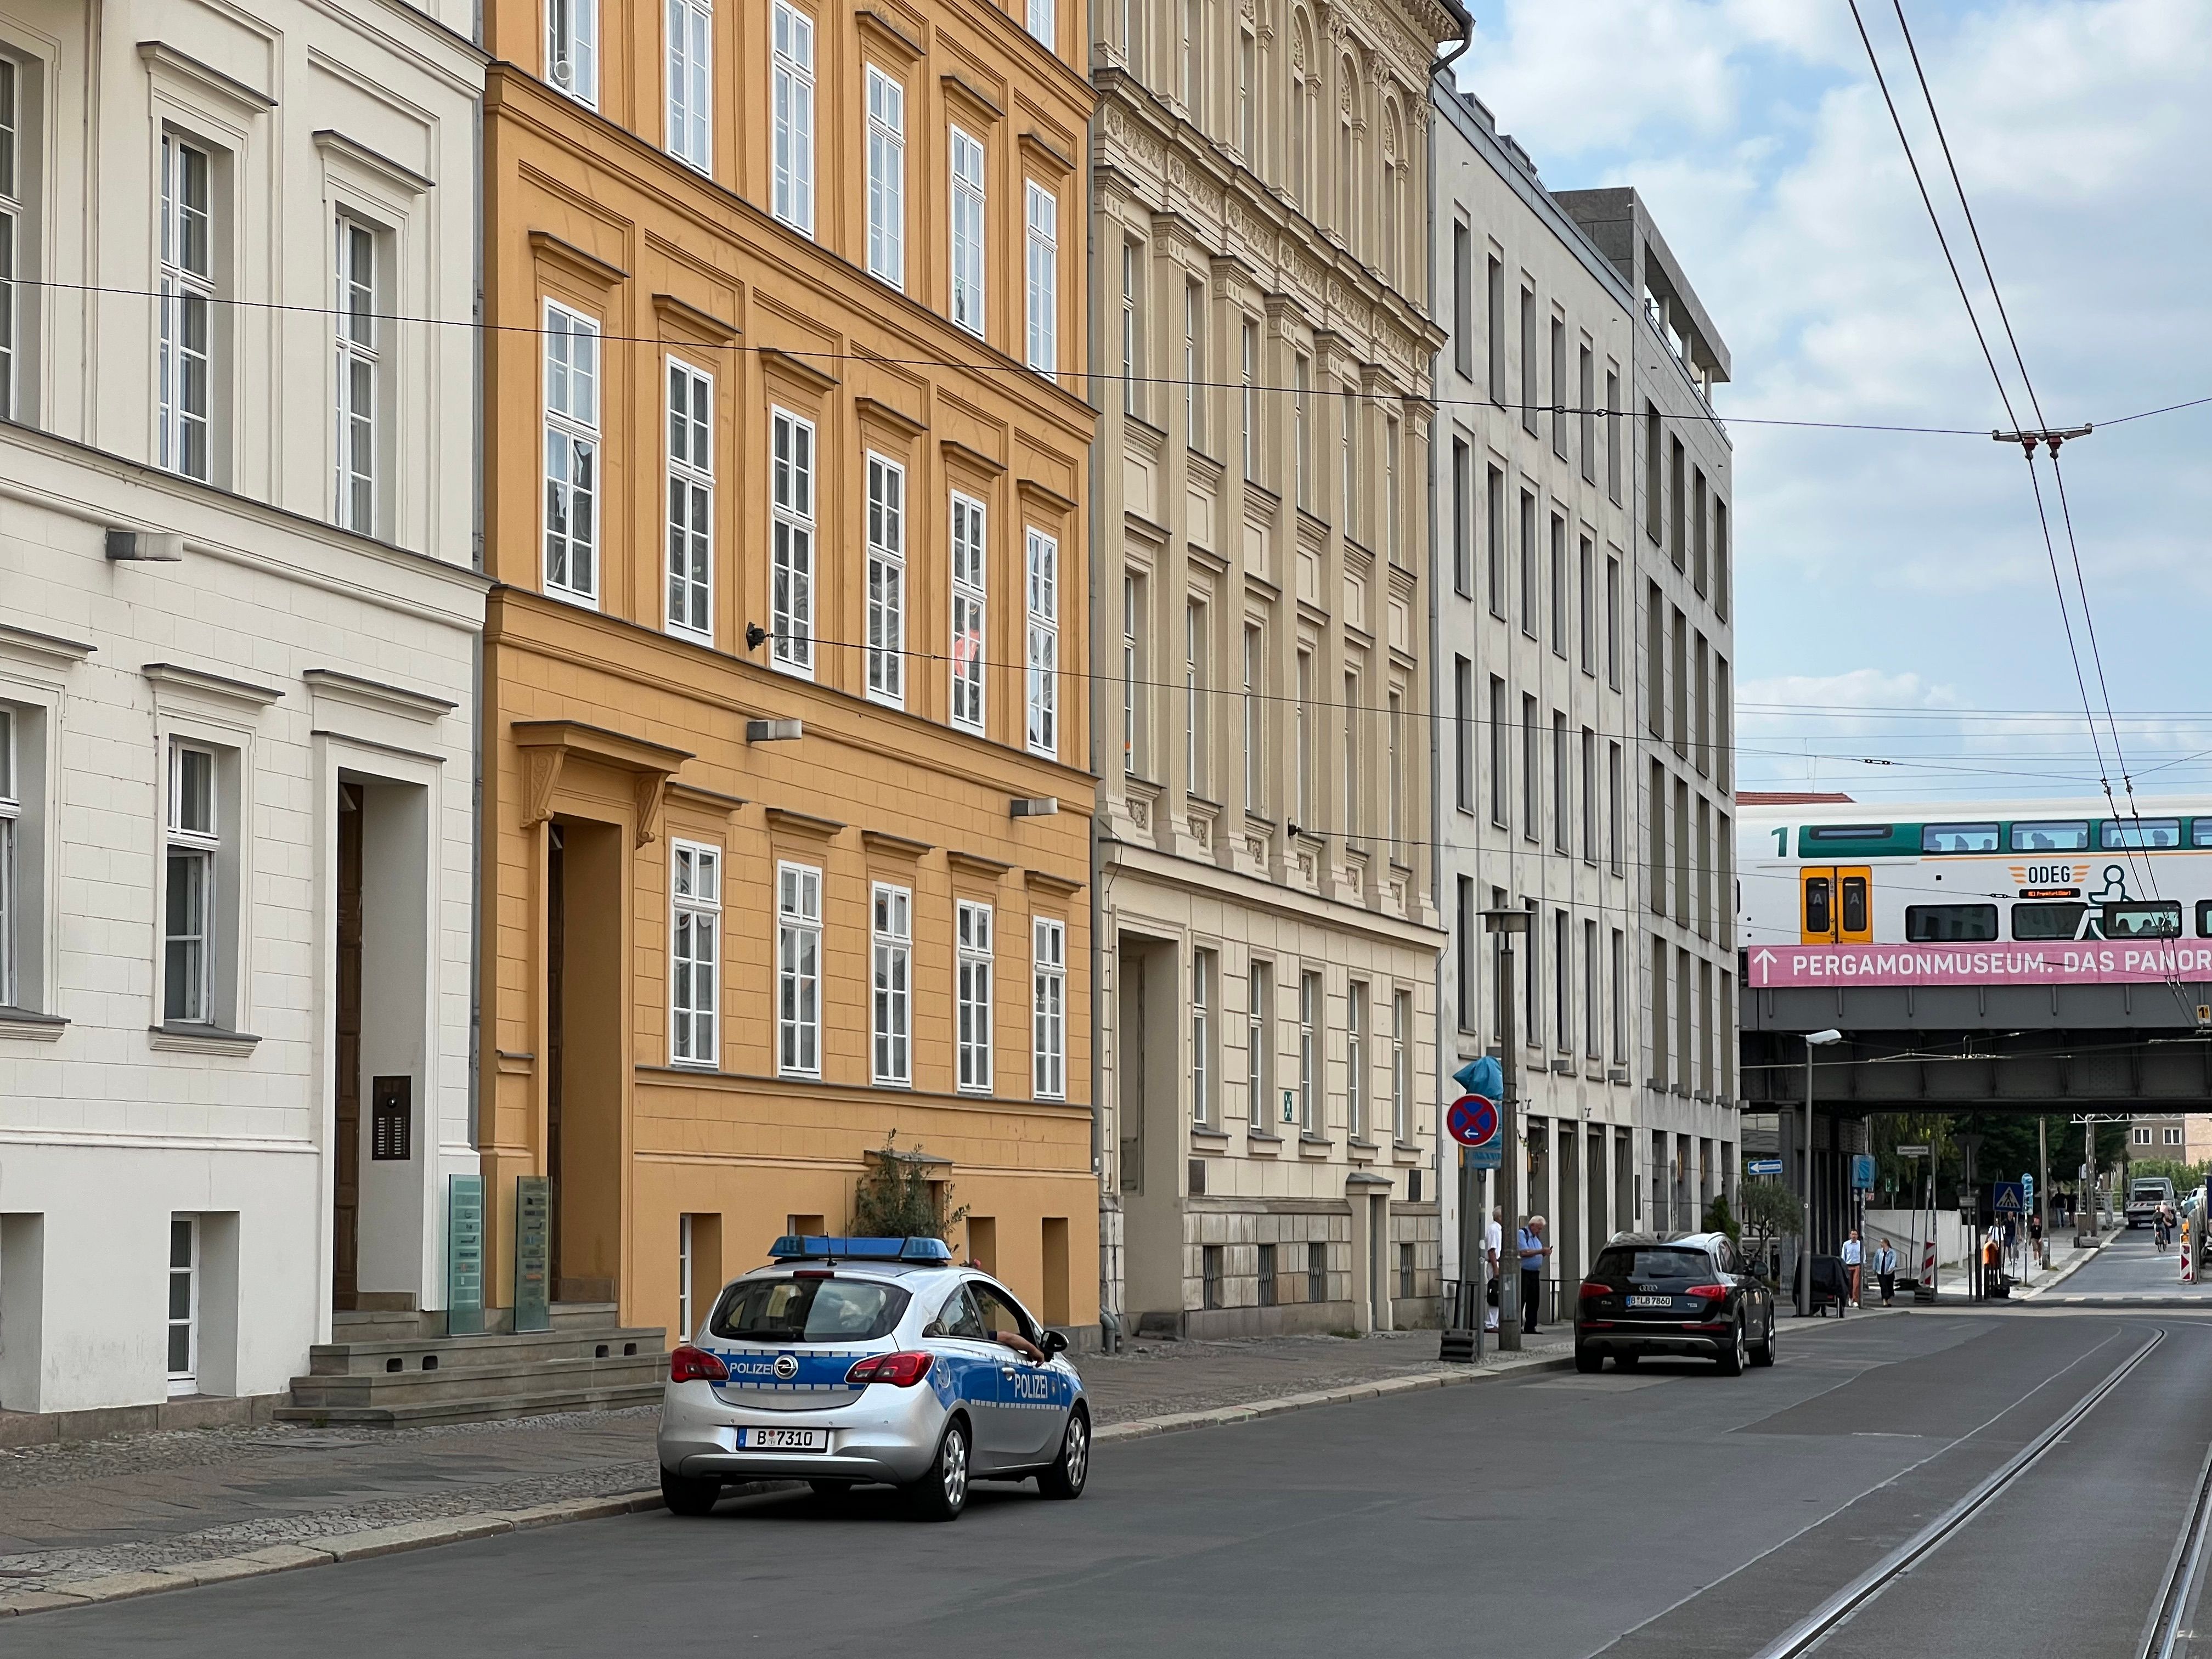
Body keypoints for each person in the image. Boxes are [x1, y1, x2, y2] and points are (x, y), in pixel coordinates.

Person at [1519, 1216, 1550, 1334]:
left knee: (1534, 1300)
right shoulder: (1522, 1233)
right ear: (1532, 1225)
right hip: (1524, 1271)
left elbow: (1535, 1253)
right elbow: (1524, 1252)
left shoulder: (1536, 1238)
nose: (1540, 1231)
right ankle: (1517, 1326)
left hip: (1534, 1272)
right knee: (1522, 1298)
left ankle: (1531, 1326)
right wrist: (1541, 1251)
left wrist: (1543, 1254)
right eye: (1539, 1229)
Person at [1483, 1205, 1503, 1334]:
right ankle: (1491, 1323)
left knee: (1499, 1294)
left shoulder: (1499, 1229)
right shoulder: (1494, 1230)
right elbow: (1492, 1251)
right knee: (1495, 1293)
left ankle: (1495, 1322)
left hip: (1498, 1263)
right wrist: (1496, 1270)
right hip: (1495, 1264)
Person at [1872, 1237, 1899, 1307]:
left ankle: (1889, 1299)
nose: (1881, 1244)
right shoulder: (1879, 1251)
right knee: (1883, 1286)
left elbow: (1894, 1261)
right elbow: (1876, 1260)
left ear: (1886, 1243)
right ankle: (1884, 1300)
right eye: (1880, 1242)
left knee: (1890, 1286)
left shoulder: (1892, 1252)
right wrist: (1874, 1269)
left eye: (1882, 1242)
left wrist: (1891, 1268)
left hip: (1889, 1272)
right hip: (1881, 1272)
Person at [1842, 1230, 1864, 1308]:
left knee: (1856, 1284)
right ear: (1850, 1235)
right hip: (1848, 1266)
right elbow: (1843, 1256)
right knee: (1849, 1284)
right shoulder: (1846, 1244)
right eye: (1853, 1234)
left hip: (1857, 1265)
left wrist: (1863, 1264)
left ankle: (1855, 1300)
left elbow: (1863, 1255)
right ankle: (1851, 1297)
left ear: (1858, 1236)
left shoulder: (1860, 1244)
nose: (1854, 1236)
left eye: (1855, 1234)